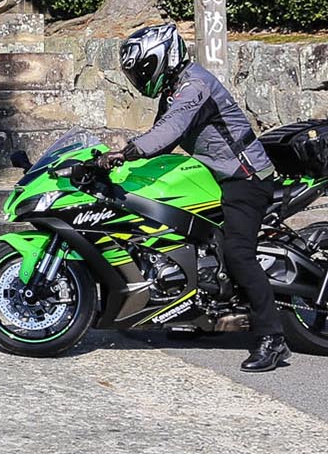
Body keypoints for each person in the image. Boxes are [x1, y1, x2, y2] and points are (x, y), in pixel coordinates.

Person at [103, 22, 289, 373]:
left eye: (143, 69)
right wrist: (116, 166)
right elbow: (162, 137)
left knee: (237, 253)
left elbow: (169, 130)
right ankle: (198, 316)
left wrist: (123, 153)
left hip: (244, 179)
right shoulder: (175, 89)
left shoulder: (194, 86)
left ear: (164, 58)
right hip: (215, 179)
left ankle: (272, 338)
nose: (141, 77)